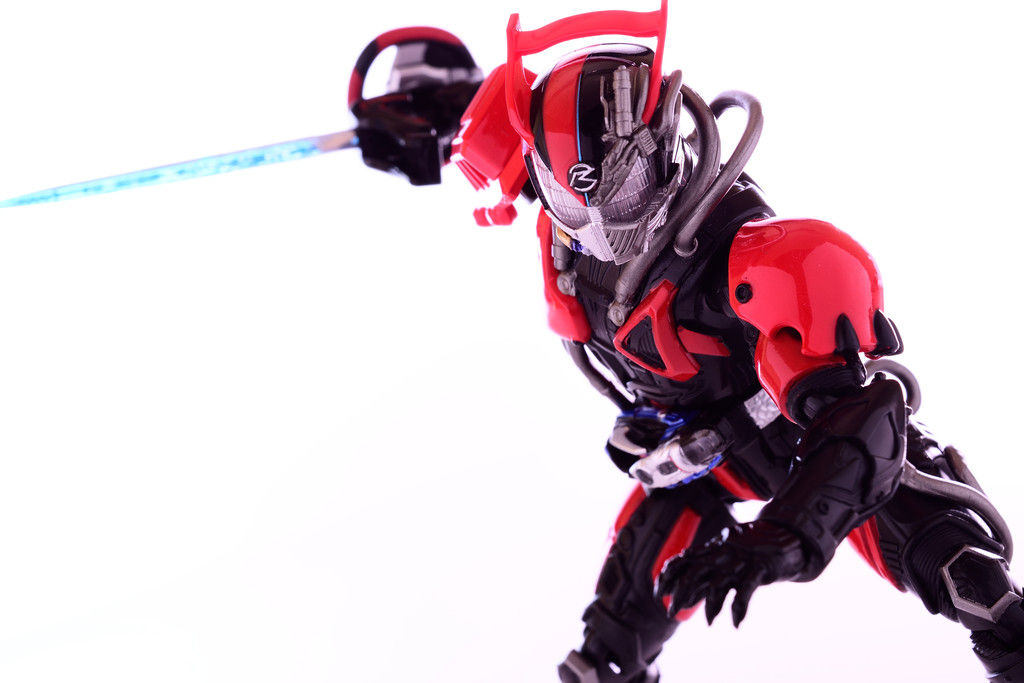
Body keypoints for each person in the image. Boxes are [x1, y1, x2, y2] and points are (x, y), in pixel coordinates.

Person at [441, 3, 1024, 681]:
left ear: (659, 147)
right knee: (606, 656)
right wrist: (426, 107)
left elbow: (866, 414)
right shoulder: (565, 221)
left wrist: (787, 534)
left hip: (817, 447)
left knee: (981, 593)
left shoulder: (753, 254)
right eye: (572, 198)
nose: (598, 223)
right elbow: (472, 135)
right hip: (706, 461)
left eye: (621, 187)